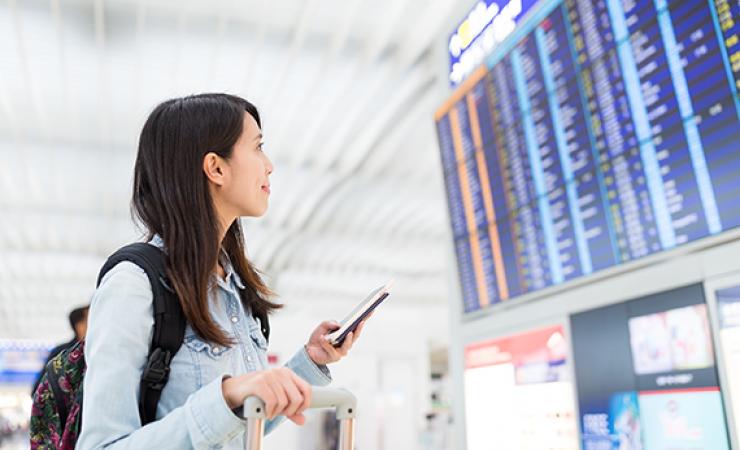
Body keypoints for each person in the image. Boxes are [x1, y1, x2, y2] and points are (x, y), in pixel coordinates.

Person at [77, 93, 367, 449]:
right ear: (215, 168)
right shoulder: (132, 286)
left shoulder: (233, 286)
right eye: (258, 147)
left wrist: (309, 362)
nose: (270, 165)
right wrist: (226, 396)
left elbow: (243, 424)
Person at [30, 305, 88, 395]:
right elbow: (39, 390)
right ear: (79, 325)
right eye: (88, 321)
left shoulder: (97, 352)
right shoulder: (61, 352)